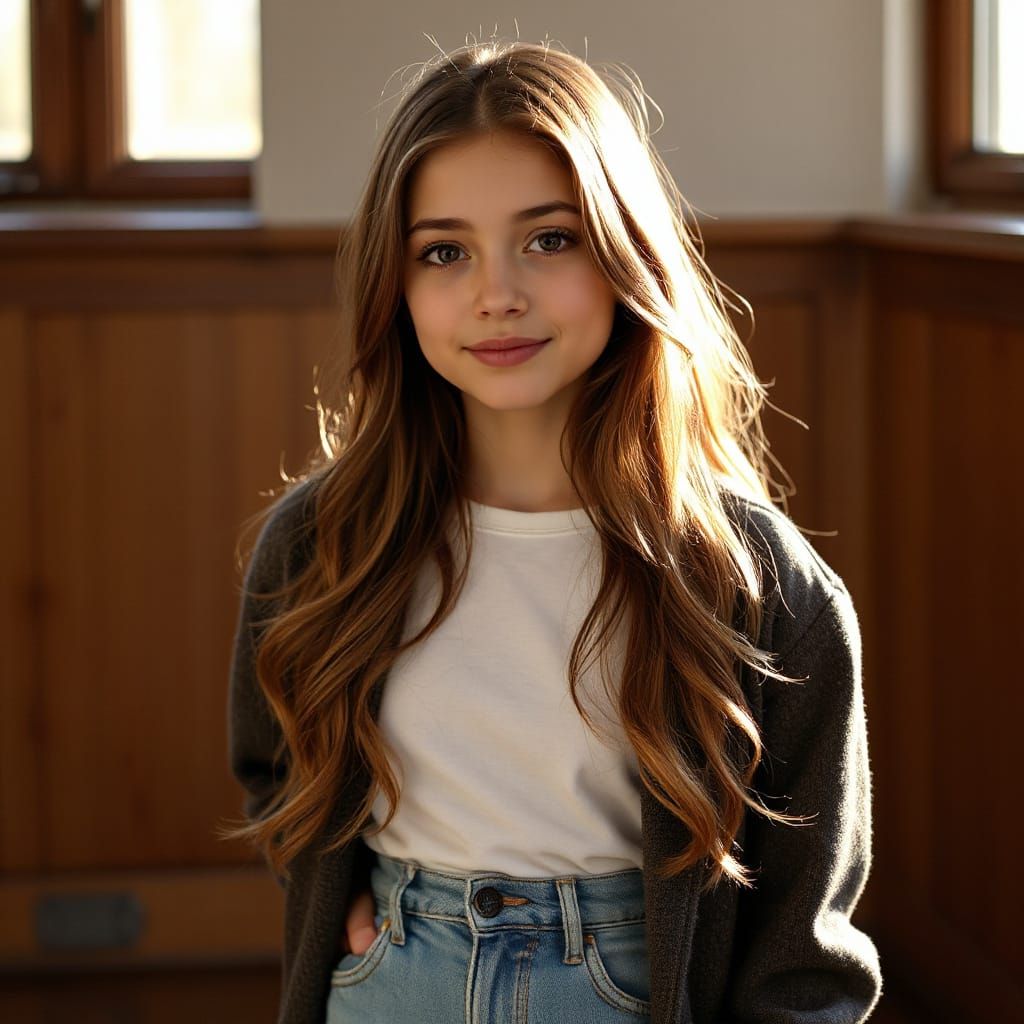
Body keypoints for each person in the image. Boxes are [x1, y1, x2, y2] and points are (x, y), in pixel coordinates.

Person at [221, 37, 882, 1024]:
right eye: (443, 251)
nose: (498, 293)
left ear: (624, 255)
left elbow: (805, 939)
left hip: (633, 989)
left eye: (550, 238)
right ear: (393, 288)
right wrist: (342, 900)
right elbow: (274, 766)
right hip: (391, 982)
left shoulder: (757, 581)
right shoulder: (320, 542)